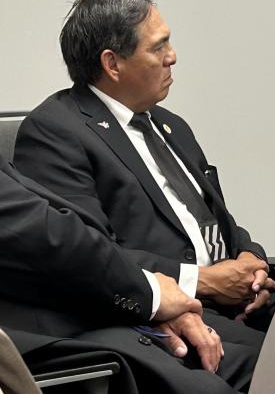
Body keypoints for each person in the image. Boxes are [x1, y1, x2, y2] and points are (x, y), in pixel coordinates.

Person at [14, 0, 275, 327]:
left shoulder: (169, 125)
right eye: (158, 46)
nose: (173, 56)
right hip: (165, 317)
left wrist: (251, 260)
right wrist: (202, 280)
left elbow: (209, 219)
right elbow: (87, 253)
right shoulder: (55, 131)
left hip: (238, 304)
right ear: (112, 64)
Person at [0, 154, 259, 393]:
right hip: (58, 341)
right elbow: (49, 238)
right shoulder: (53, 128)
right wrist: (153, 297)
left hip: (107, 307)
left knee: (272, 364)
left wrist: (249, 254)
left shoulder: (171, 124)